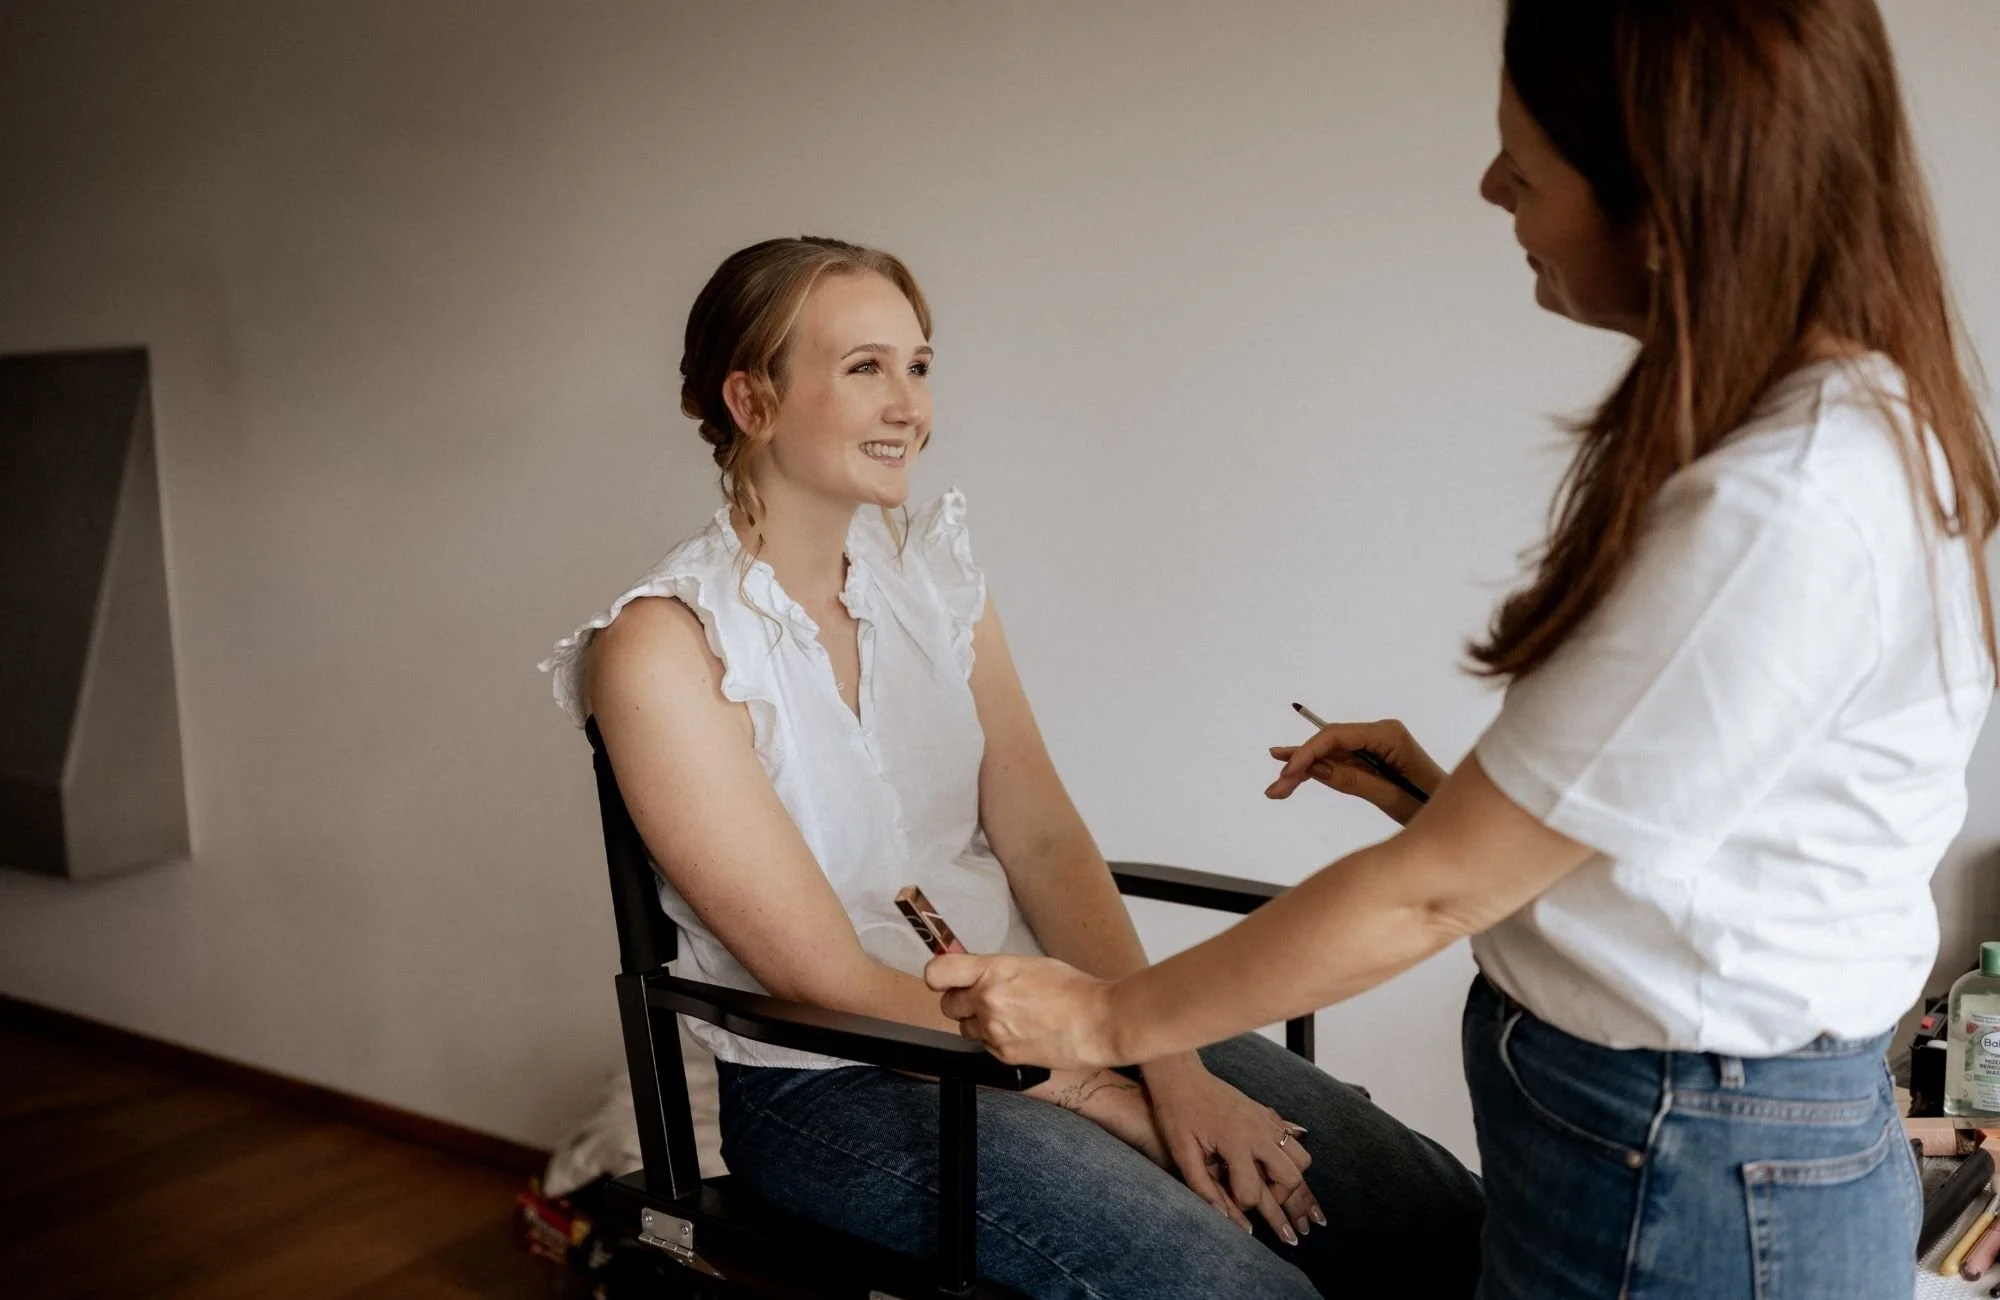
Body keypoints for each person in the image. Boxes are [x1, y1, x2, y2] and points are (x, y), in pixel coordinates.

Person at [926, 2, 2000, 1297]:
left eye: (1527, 169)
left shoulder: (1784, 503)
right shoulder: (1838, 424)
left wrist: (1101, 1020)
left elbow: (1430, 894)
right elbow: (1701, 831)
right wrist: (1445, 800)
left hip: (1690, 1164)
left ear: (1666, 210)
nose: (1492, 187)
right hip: (1668, 1140)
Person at [542, 235, 1483, 1300]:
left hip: (1058, 1012)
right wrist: (1096, 1088)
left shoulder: (937, 587)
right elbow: (826, 979)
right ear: (752, 400)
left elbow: (1038, 836)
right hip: (839, 1084)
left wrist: (1170, 1061)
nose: (909, 405)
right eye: (864, 368)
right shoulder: (662, 646)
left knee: (1434, 1218)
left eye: (919, 363)